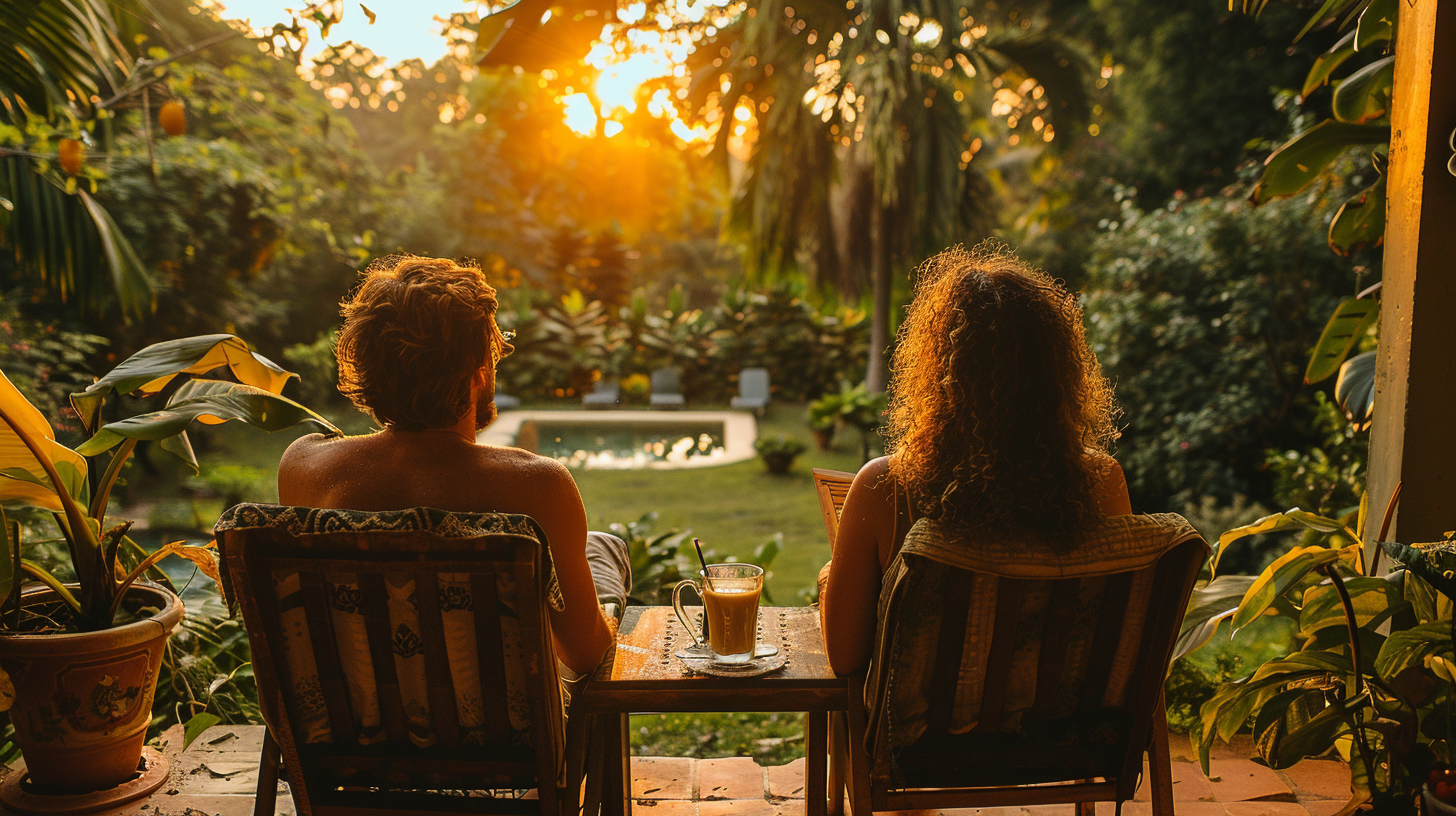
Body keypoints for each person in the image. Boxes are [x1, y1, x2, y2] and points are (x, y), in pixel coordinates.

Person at [278, 255, 628, 676]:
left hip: (355, 734)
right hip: (508, 739)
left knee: (598, 546)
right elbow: (585, 655)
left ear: (367, 367)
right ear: (479, 372)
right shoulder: (538, 487)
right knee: (607, 552)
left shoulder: (303, 467)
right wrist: (607, 618)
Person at [819, 244, 1131, 675]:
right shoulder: (1101, 481)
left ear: (938, 371)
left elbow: (846, 658)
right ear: (1059, 372)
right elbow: (1112, 639)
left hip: (921, 742)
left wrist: (830, 579)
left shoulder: (884, 489)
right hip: (1060, 739)